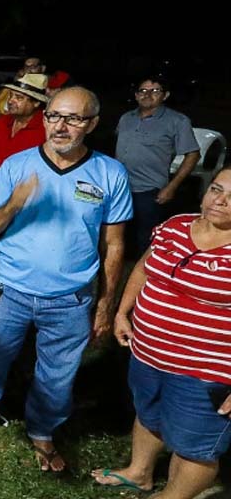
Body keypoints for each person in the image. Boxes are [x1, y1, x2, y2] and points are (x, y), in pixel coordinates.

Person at [0, 87, 132, 473]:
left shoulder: (110, 173)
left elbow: (114, 245)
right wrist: (14, 203)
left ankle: (43, 428)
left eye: (73, 118)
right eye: (53, 116)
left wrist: (106, 303)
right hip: (8, 291)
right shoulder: (17, 165)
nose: (60, 126)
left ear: (92, 124)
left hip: (71, 299)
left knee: (58, 371)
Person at [92, 165, 231, 497]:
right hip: (148, 352)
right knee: (148, 414)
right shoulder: (176, 225)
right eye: (216, 189)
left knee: (194, 447)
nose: (220, 201)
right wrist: (124, 311)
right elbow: (144, 266)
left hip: (206, 371)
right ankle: (139, 472)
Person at [115, 75, 200, 255]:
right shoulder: (126, 118)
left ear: (165, 95)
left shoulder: (177, 121)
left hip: (150, 190)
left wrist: (171, 187)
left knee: (145, 239)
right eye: (143, 91)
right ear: (136, 95)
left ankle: (144, 277)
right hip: (119, 188)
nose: (148, 95)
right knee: (117, 235)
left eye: (155, 91)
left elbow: (192, 154)